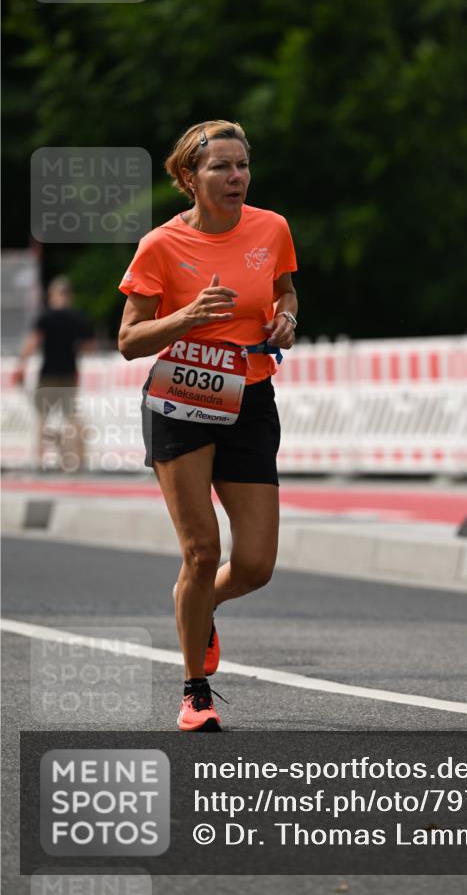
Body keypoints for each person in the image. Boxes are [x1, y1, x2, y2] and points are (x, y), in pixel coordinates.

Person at [117, 120, 298, 732]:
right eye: (222, 167)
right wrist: (187, 317)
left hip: (248, 398)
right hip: (180, 401)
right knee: (201, 551)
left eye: (242, 165)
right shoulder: (161, 246)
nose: (236, 177)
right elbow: (128, 340)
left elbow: (285, 293)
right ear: (190, 177)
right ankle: (195, 690)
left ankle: (200, 606)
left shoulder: (271, 228)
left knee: (255, 565)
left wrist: (285, 320)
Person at [14, 275, 95, 471]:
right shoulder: (78, 317)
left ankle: (40, 460)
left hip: (48, 374)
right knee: (72, 417)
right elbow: (89, 347)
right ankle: (80, 459)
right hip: (69, 375)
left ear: (52, 295)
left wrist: (21, 365)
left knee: (42, 417)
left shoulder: (45, 317)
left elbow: (32, 343)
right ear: (70, 295)